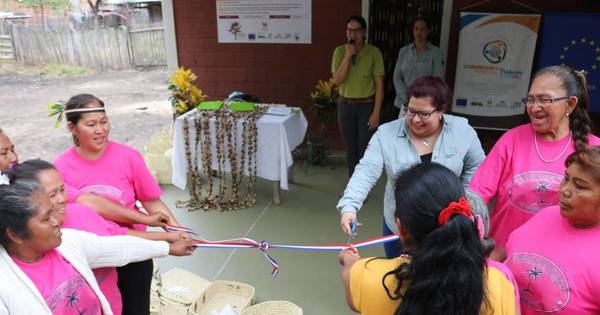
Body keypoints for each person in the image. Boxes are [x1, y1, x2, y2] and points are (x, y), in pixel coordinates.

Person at [53, 93, 183, 315]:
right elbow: (87, 204)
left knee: (136, 309)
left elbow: (151, 200)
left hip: (137, 250)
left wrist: (177, 230)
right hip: (94, 257)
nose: (100, 130)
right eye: (91, 124)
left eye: (104, 122)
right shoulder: (60, 168)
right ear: (72, 128)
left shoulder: (128, 156)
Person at [12, 159, 190, 315]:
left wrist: (168, 241)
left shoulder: (80, 214)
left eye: (62, 190)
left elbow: (120, 241)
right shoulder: (28, 263)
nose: (61, 199)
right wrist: (167, 245)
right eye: (52, 195)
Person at [339, 163, 520, 315]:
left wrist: (348, 258)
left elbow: (350, 275)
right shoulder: (498, 284)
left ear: (400, 227)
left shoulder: (368, 275)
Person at [337, 76, 485, 258]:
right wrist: (350, 207)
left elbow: (477, 168)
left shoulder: (462, 130)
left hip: (446, 228)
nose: (415, 119)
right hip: (400, 228)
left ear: (441, 111)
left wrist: (463, 200)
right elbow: (366, 171)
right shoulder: (386, 134)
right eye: (410, 111)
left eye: (424, 114)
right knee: (397, 276)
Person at [469, 65, 600, 259]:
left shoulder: (593, 150)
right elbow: (476, 195)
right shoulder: (512, 139)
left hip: (562, 263)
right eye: (531, 99)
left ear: (570, 104)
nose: (534, 107)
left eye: (544, 99)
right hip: (501, 259)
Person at [505, 146, 600, 314]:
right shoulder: (547, 215)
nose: (564, 190)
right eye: (566, 179)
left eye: (580, 186)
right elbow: (507, 252)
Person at [332, 15, 385, 177]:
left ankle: (362, 184)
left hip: (366, 107)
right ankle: (353, 185)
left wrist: (376, 112)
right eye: (349, 30)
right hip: (345, 106)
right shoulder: (340, 51)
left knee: (364, 148)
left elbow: (379, 85)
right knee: (350, 149)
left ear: (364, 32)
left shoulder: (373, 53)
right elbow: (337, 80)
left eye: (357, 30)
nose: (352, 34)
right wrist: (348, 56)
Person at [393, 17, 444, 115]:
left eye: (422, 29)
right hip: (402, 104)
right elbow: (397, 77)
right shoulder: (403, 51)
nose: (419, 32)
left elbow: (437, 80)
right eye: (416, 29)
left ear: (428, 31)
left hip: (424, 105)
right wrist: (406, 99)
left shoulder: (436, 53)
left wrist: (419, 101)